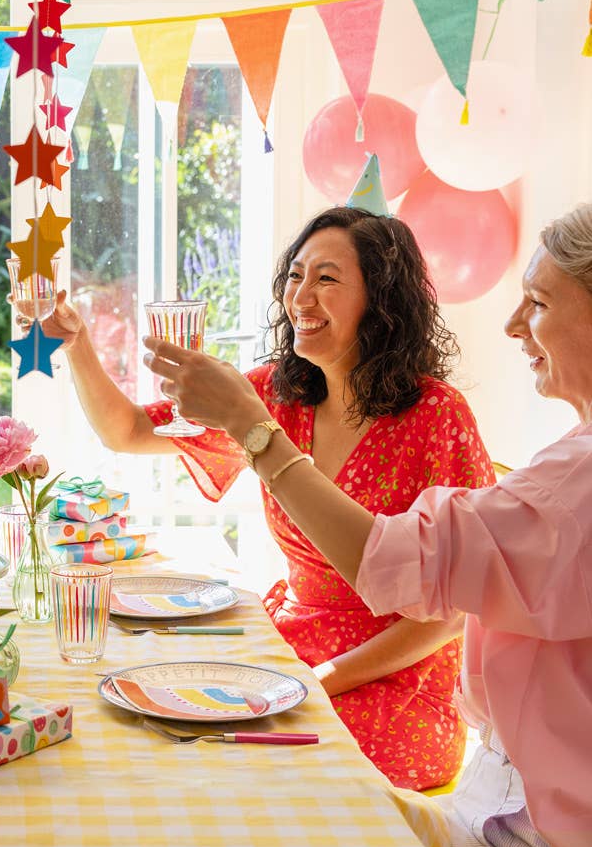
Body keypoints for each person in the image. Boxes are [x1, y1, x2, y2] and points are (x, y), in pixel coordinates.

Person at [144, 204, 592, 847]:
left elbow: (399, 568)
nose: (513, 325)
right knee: (245, 804)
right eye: (297, 276)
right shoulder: (569, 463)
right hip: (498, 815)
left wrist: (254, 431)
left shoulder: (565, 479)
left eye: (538, 303)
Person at [42, 207, 494, 789]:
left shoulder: (437, 415)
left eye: (327, 278)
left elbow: (455, 612)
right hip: (292, 650)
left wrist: (321, 680)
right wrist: (77, 343)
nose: (301, 296)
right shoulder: (276, 397)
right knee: (153, 718)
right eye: (295, 275)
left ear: (382, 301)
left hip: (398, 682)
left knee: (240, 766)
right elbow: (127, 430)